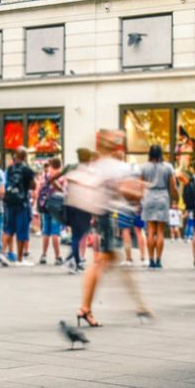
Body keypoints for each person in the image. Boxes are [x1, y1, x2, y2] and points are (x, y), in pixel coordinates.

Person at [76, 130, 154, 327]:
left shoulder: (95, 167)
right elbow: (129, 192)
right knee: (102, 263)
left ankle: (138, 305)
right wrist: (142, 188)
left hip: (100, 217)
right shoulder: (116, 168)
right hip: (109, 218)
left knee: (107, 262)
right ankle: (86, 307)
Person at [138, 145, 178, 269]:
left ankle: (150, 260)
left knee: (150, 230)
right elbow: (173, 186)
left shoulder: (143, 167)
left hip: (148, 196)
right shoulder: (168, 167)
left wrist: (140, 199)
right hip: (162, 197)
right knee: (160, 231)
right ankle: (159, 260)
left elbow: (140, 185)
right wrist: (175, 199)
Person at [2, 147, 36, 265]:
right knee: (22, 230)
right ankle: (20, 259)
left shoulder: (10, 168)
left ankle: (2, 253)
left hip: (10, 201)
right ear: (25, 156)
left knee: (9, 228)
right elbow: (33, 186)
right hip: (22, 203)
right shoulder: (27, 170)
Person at [33, 157, 66, 265]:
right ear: (60, 165)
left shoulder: (45, 174)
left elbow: (38, 189)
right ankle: (57, 256)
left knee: (46, 231)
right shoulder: (61, 176)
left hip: (45, 205)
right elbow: (64, 191)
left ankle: (43, 255)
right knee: (55, 232)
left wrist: (37, 203)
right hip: (56, 206)